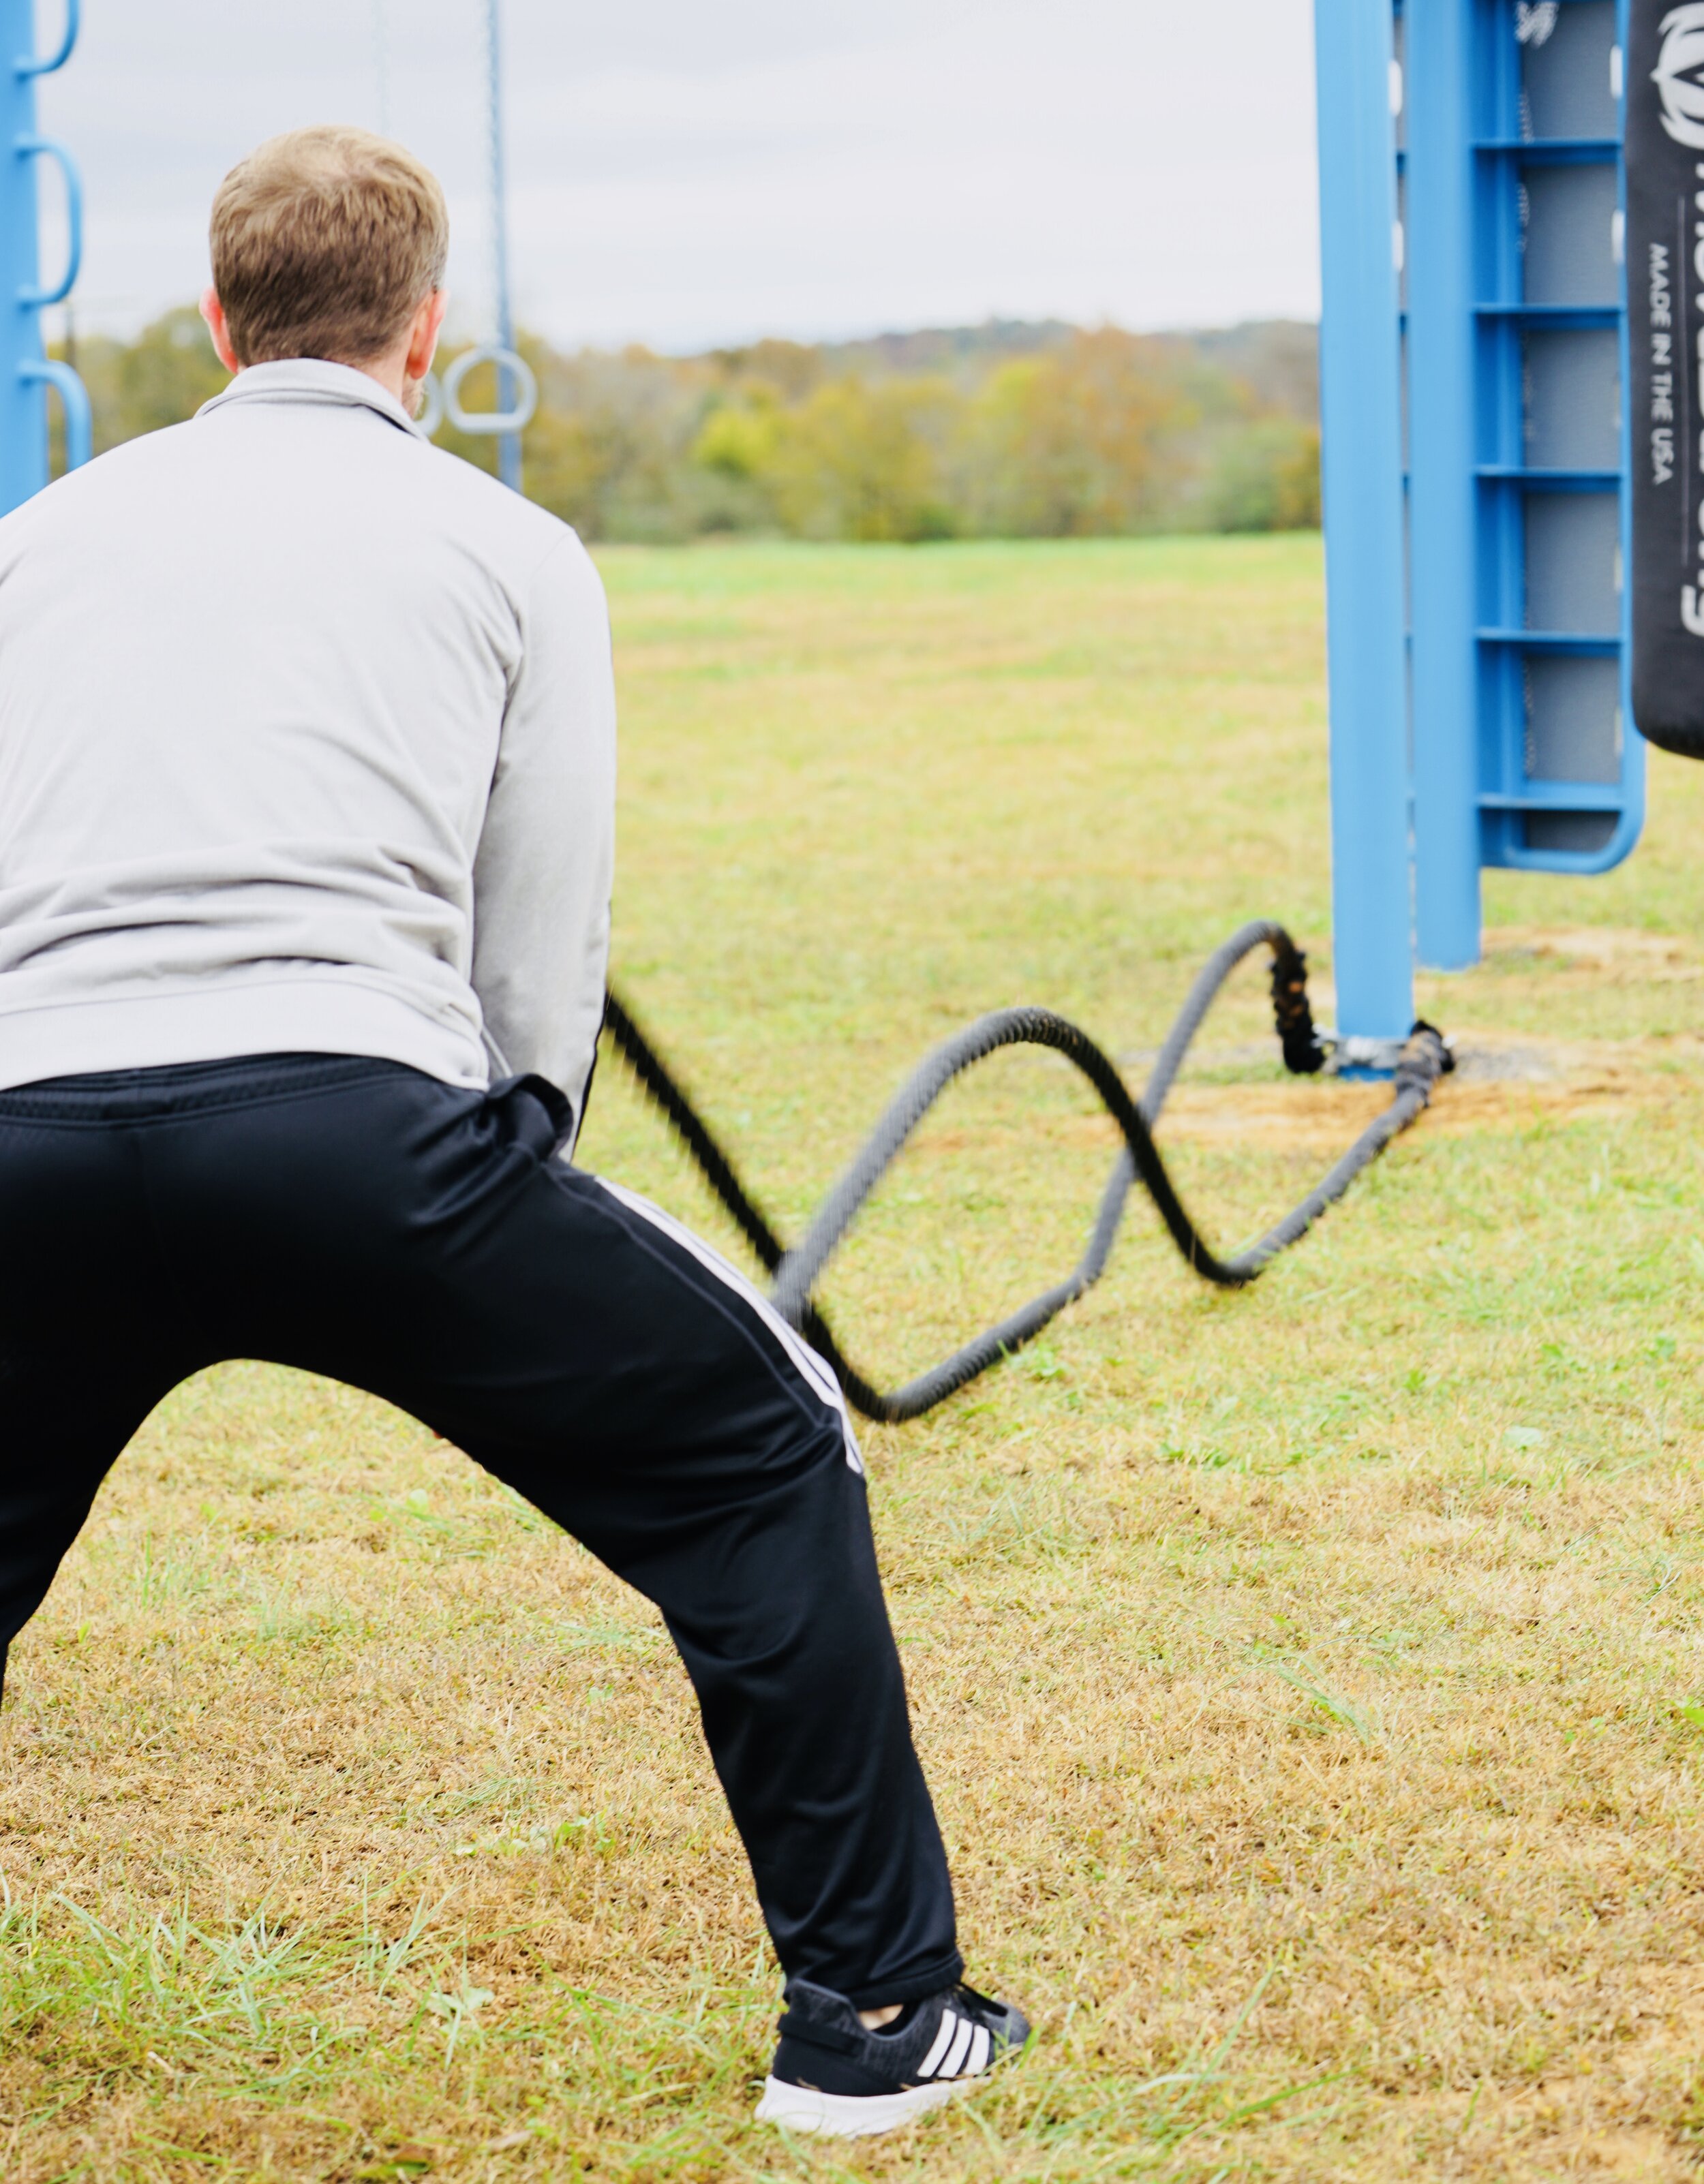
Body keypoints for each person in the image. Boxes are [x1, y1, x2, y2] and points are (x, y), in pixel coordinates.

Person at [0, 127, 1027, 2137]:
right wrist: (508, 1155)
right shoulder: (504, 547)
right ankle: (877, 2029)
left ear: (213, 321)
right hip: (352, 1128)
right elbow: (537, 935)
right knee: (761, 1458)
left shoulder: (33, 542)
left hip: (24, 1130)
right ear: (426, 330)